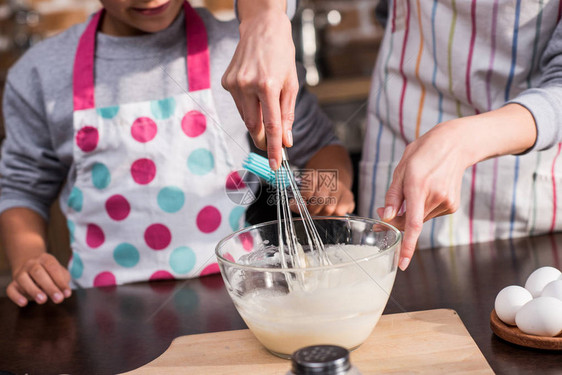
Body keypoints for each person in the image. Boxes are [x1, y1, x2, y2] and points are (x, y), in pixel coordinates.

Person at [0, 0, 354, 307]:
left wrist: (327, 185)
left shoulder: (240, 49)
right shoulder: (41, 71)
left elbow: (319, 143)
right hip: (102, 308)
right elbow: (21, 188)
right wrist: (28, 257)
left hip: (243, 298)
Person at [224, 0, 562, 271]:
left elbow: (319, 146)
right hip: (399, 139)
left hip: (523, 186)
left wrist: (463, 141)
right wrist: (265, 16)